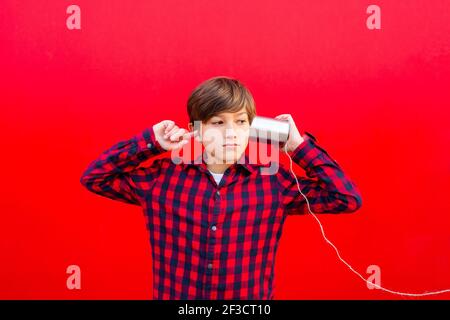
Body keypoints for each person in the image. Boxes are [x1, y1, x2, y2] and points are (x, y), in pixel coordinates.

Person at [80, 76, 362, 299]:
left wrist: (297, 145)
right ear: (197, 129)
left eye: (240, 122)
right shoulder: (162, 179)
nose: (231, 133)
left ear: (252, 127)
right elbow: (95, 177)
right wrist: (149, 142)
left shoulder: (273, 182)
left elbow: (346, 198)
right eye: (217, 123)